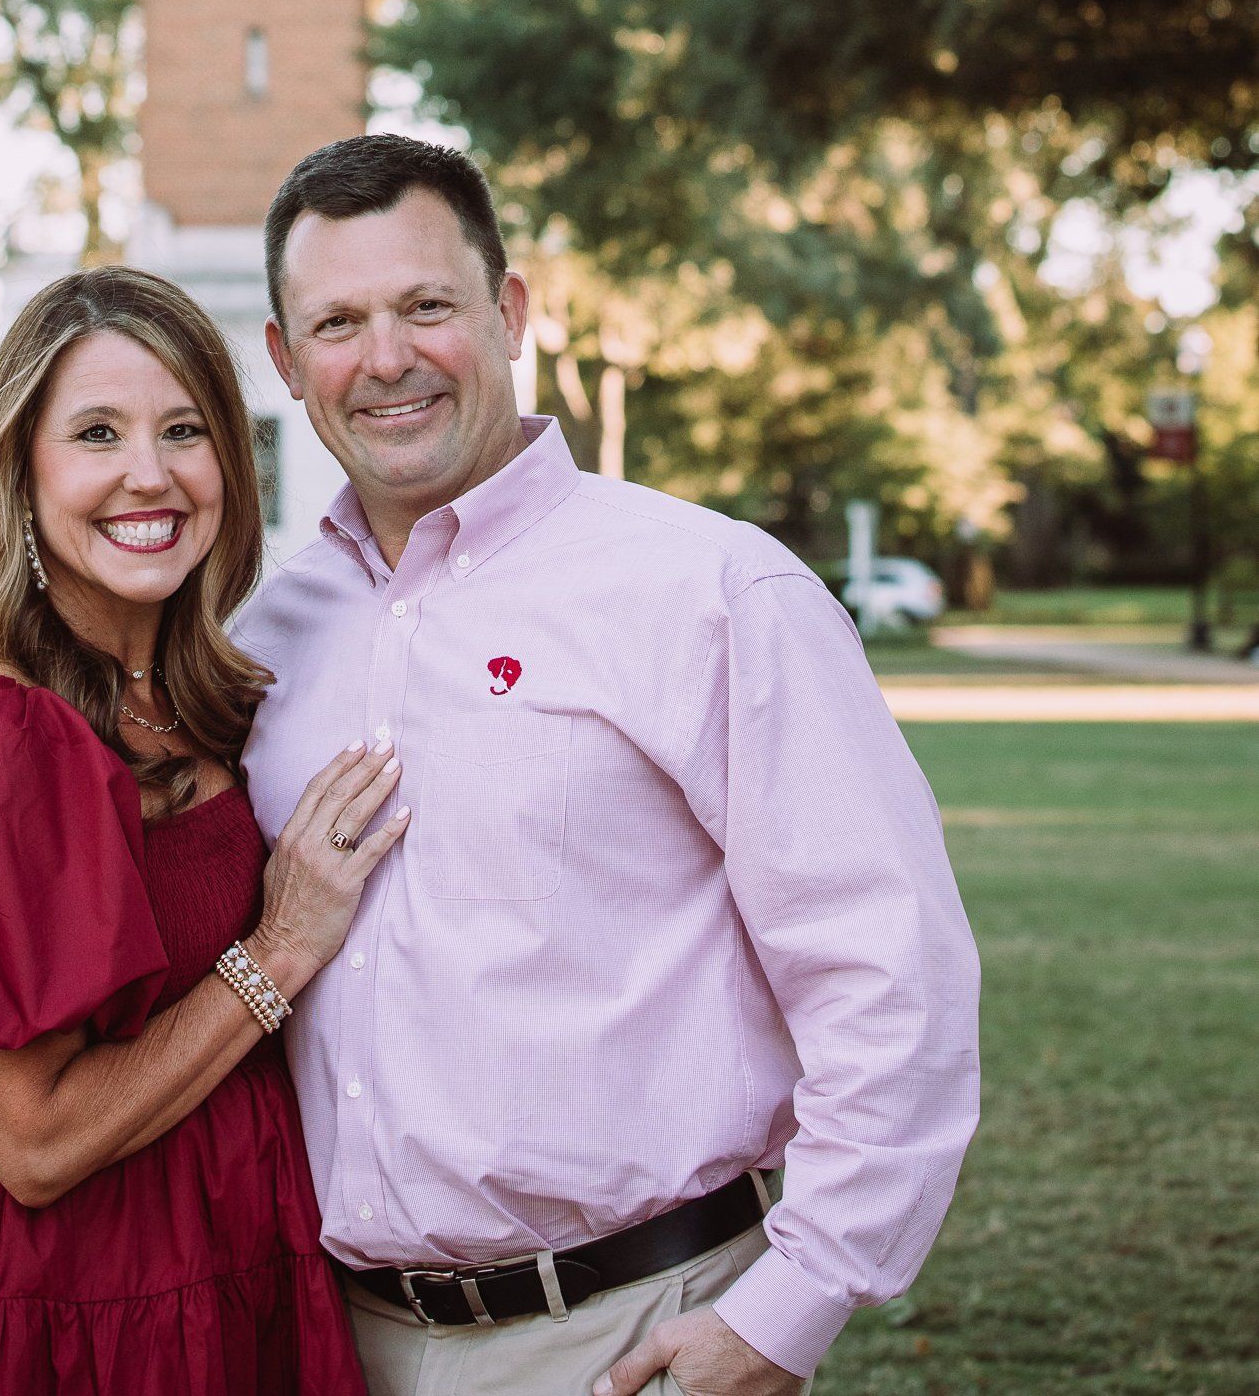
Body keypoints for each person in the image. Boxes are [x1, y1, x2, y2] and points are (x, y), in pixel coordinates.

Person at [238, 134, 981, 1396]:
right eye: (339, 321)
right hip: (330, 1341)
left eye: (428, 304)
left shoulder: (710, 587)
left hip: (634, 1336)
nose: (387, 358)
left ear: (510, 310)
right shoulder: (263, 641)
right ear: (285, 358)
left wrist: (786, 1308)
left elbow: (888, 964)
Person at [0, 266, 409, 1396]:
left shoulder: (208, 697)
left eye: (185, 428)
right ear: (21, 467)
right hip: (84, 1309)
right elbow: (33, 1143)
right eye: (98, 431)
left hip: (248, 1263)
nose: (152, 471)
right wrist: (281, 948)